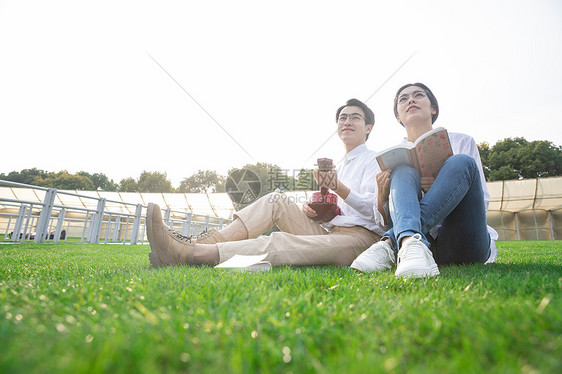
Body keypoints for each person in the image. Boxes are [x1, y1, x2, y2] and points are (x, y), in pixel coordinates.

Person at [147, 98, 386, 268]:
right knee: (276, 200)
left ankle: (191, 253)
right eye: (342, 117)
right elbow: (338, 212)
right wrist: (315, 212)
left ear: (368, 128)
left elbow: (377, 215)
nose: (347, 121)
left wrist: (338, 187)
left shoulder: (375, 160)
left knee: (280, 243)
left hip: (361, 239)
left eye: (355, 117)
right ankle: (201, 241)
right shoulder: (340, 165)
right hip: (329, 231)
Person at [351, 83, 498, 278]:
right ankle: (410, 242)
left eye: (418, 95)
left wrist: (442, 188)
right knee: (402, 170)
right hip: (418, 251)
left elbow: (482, 204)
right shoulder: (392, 155)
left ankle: (390, 243)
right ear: (398, 116)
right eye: (403, 99)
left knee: (462, 162)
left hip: (464, 242)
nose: (410, 100)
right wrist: (381, 196)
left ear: (433, 108)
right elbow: (383, 220)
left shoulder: (462, 141)